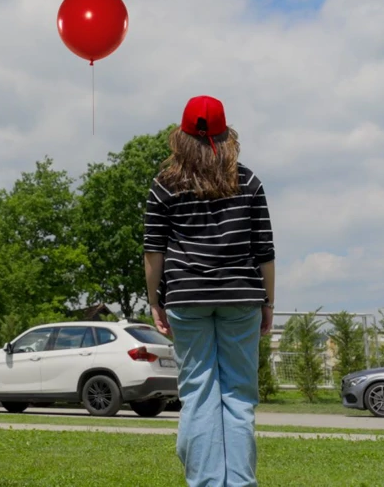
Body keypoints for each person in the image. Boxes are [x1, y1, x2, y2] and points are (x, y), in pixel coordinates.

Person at [143, 96, 276, 487]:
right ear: (226, 134)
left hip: (187, 297)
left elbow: (154, 251)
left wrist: (154, 301)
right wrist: (268, 302)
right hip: (241, 297)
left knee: (198, 395)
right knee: (238, 396)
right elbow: (265, 250)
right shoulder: (248, 181)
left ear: (181, 137)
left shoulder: (164, 185)